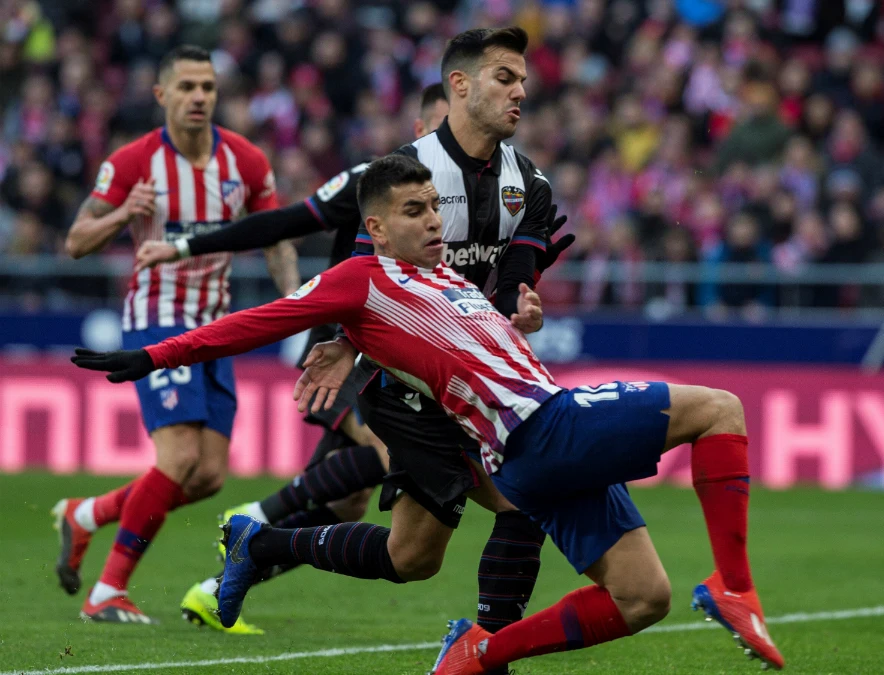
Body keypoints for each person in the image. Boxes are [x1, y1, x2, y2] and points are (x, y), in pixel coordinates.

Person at [73, 153, 785, 672]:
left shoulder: (443, 277)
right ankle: (734, 585)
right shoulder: (362, 278)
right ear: (376, 227)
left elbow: (462, 349)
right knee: (720, 408)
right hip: (542, 428)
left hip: (526, 455)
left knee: (643, 598)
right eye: (414, 212)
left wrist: (519, 317)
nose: (433, 222)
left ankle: (479, 652)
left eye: (434, 208)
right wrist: (157, 357)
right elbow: (265, 319)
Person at [137, 29, 573, 659]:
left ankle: (248, 544)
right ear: (449, 101)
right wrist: (183, 246)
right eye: (505, 80)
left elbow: (504, 285)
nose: (520, 95)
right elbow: (288, 222)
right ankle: (483, 646)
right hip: (367, 352)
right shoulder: (384, 177)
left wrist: (520, 302)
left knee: (382, 524)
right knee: (480, 489)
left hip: (451, 361)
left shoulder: (518, 182)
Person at [142, 83, 448, 636]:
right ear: (425, 130)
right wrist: (188, 246)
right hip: (350, 350)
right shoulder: (370, 182)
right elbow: (284, 222)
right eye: (444, 129)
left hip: (412, 355)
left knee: (348, 502)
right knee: (384, 456)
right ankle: (256, 519)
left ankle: (220, 583)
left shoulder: (472, 195)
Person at [52, 45, 296, 624]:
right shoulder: (135, 162)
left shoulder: (246, 161)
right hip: (158, 318)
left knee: (209, 474)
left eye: (207, 87)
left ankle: (85, 515)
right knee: (180, 455)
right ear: (162, 95)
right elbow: (76, 241)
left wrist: (295, 304)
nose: (199, 98)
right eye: (186, 87)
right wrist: (120, 216)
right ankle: (107, 591)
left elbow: (279, 236)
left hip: (217, 326)